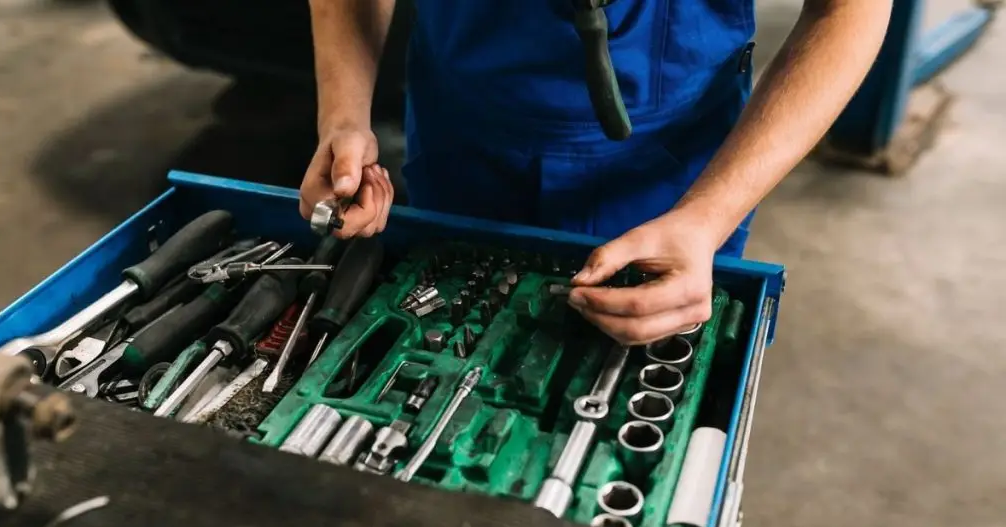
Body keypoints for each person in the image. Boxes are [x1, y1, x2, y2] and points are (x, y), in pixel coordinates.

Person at [298, 0, 891, 345]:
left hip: (673, 178)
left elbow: (849, 10)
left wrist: (706, 217)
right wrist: (343, 118)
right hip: (462, 141)